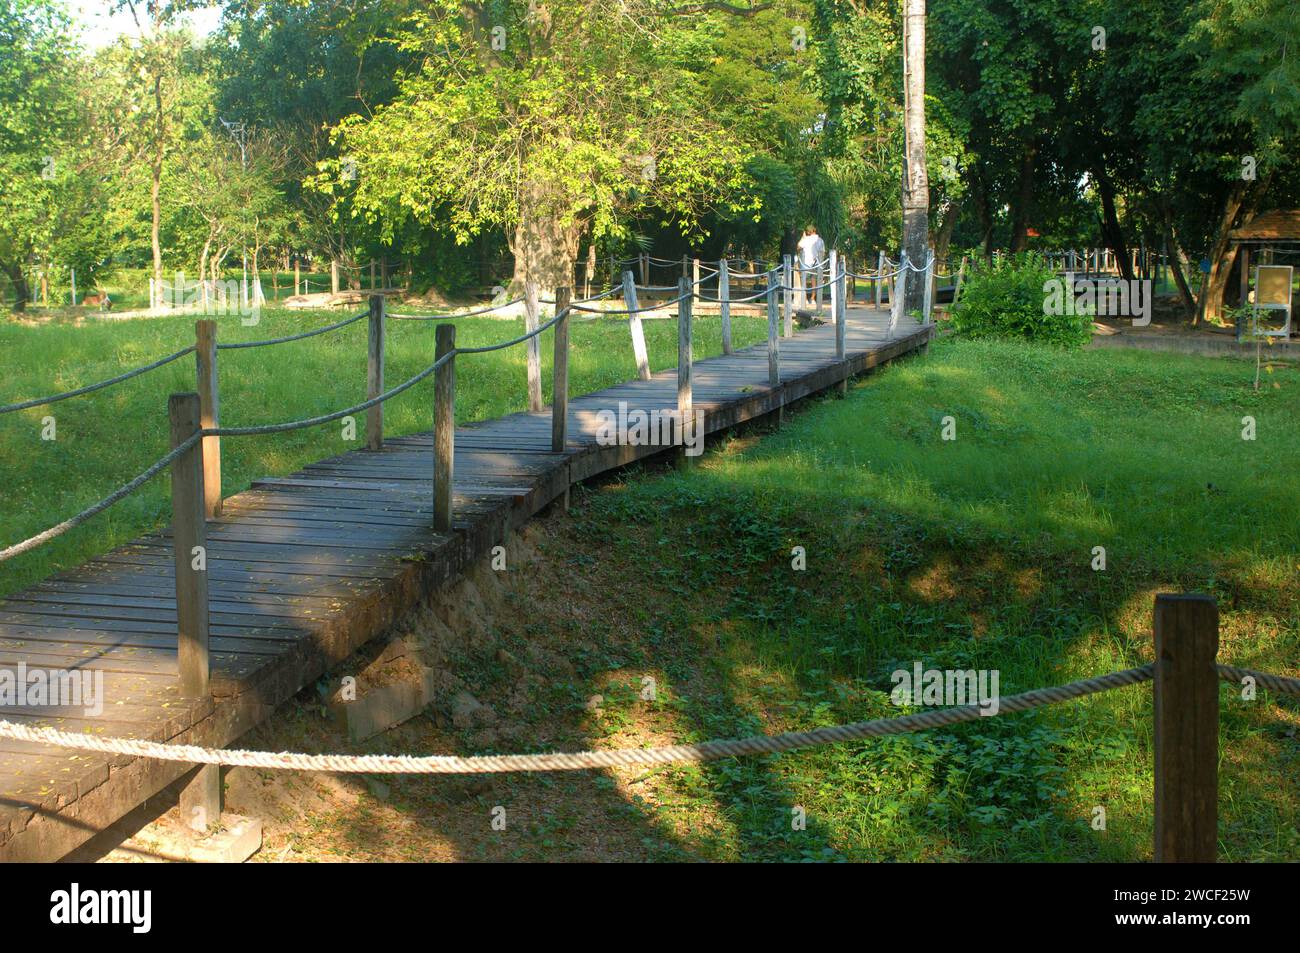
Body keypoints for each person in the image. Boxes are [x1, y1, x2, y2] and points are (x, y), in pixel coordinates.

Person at [795, 226, 826, 312]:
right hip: (817, 262)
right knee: (814, 280)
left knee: (803, 280)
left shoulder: (805, 239)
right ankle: (813, 299)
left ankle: (804, 299)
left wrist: (802, 237)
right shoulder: (820, 240)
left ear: (807, 232)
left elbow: (798, 247)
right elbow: (823, 252)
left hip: (805, 262)